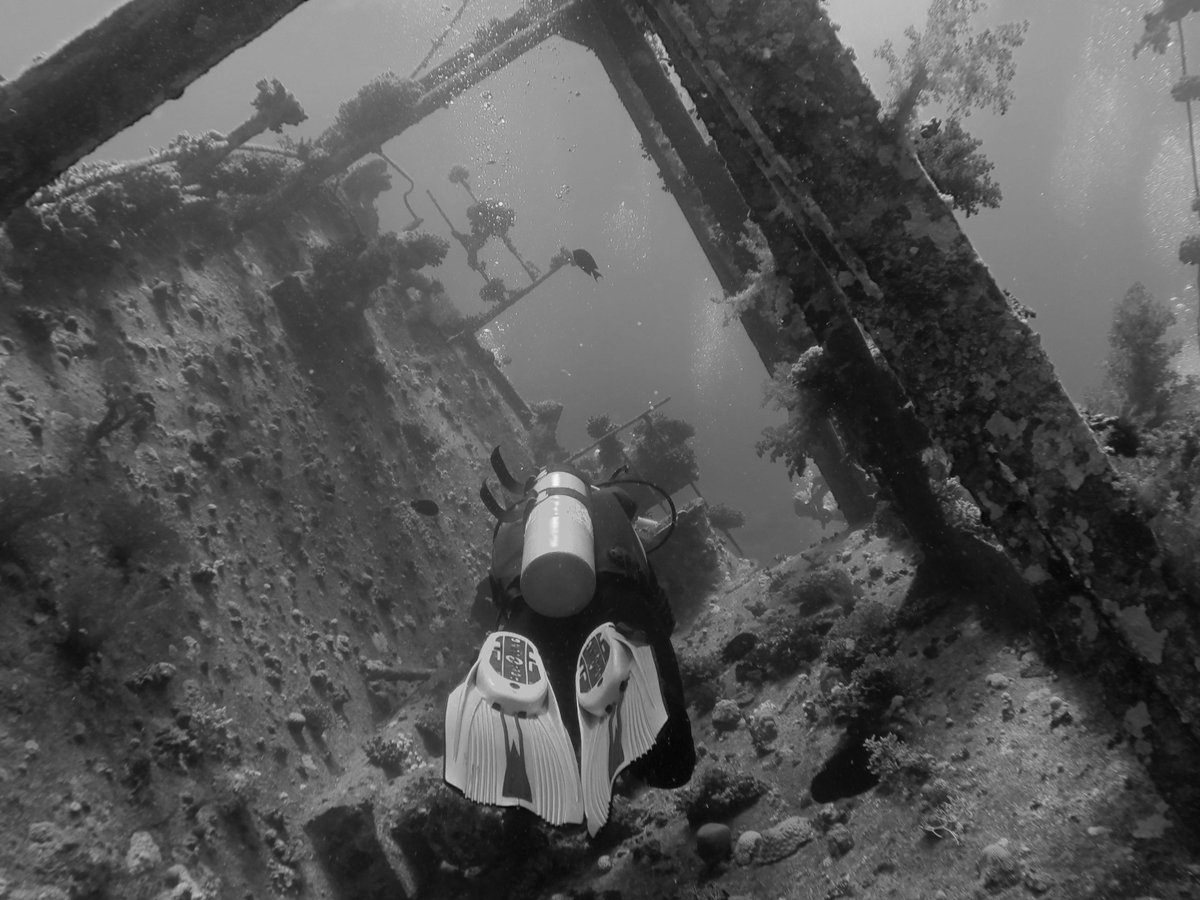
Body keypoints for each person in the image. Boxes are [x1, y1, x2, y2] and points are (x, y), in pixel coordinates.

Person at [444, 453, 695, 835]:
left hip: (530, 618)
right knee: (671, 757)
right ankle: (648, 761)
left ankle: (554, 801)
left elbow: (496, 601)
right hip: (615, 594)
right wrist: (658, 631)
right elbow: (651, 587)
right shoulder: (607, 501)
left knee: (558, 721)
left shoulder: (513, 528)